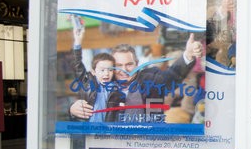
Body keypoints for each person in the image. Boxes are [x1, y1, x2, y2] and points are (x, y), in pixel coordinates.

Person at [68, 34, 203, 123]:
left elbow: (172, 75)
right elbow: (85, 105)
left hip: (146, 145)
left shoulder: (150, 79)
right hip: (111, 146)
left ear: (137, 64)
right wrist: (72, 110)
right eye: (119, 65)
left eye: (129, 64)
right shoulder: (102, 84)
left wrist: (188, 55)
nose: (124, 70)